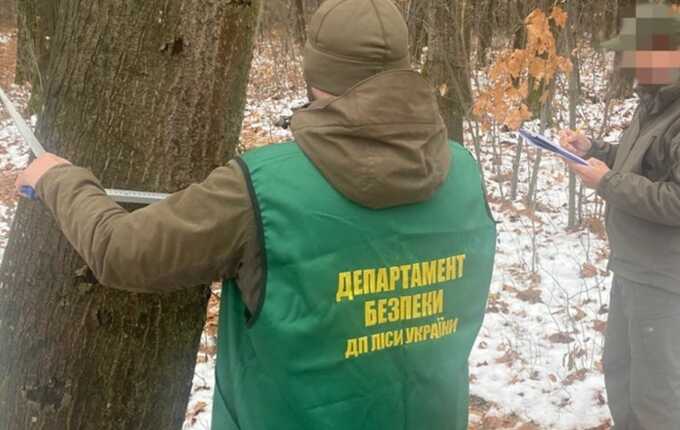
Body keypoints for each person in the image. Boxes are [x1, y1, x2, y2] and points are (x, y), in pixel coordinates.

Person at [15, 0, 496, 429]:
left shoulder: (260, 188)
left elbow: (122, 250)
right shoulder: (465, 173)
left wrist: (57, 178)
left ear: (315, 75)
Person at [561, 3, 680, 429]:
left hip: (664, 276)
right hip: (631, 266)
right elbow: (638, 166)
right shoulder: (653, 105)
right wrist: (593, 149)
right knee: (622, 373)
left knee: (657, 394)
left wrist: (606, 182)